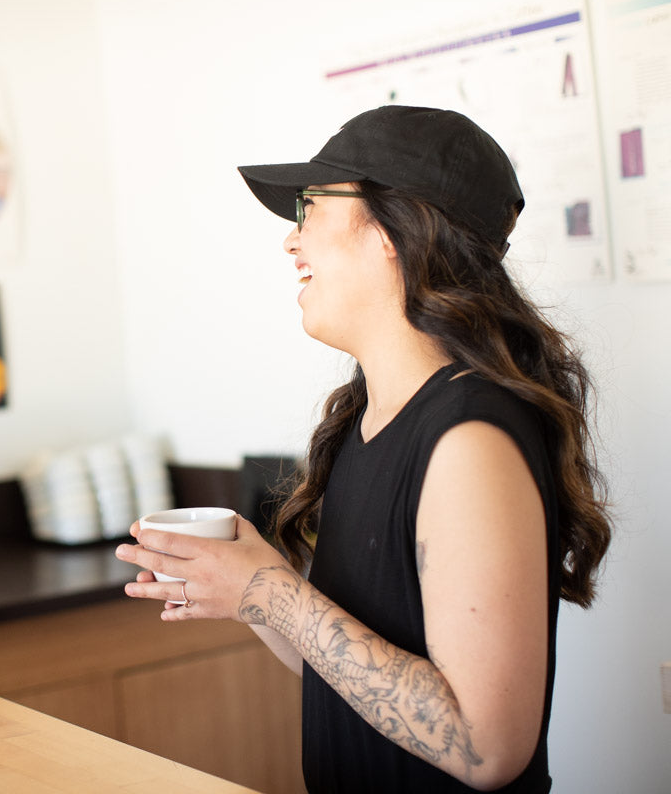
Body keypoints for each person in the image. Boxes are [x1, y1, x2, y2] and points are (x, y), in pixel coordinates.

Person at [116, 105, 612, 793]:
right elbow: (355, 669)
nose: (291, 242)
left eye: (309, 206)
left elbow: (488, 747)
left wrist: (275, 593)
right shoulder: (365, 419)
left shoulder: (470, 442)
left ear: (392, 230)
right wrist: (253, 583)